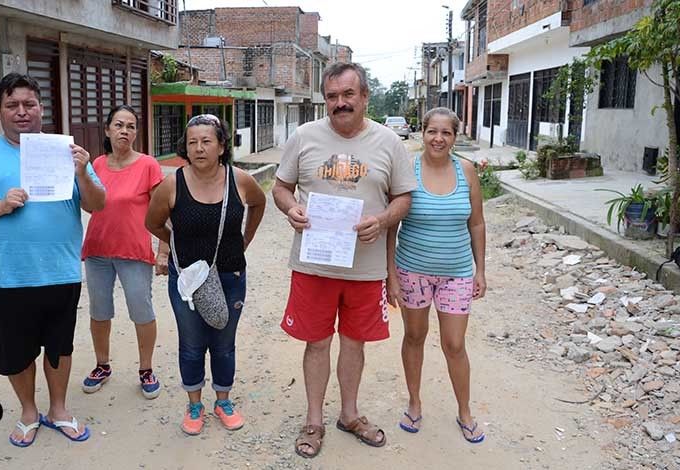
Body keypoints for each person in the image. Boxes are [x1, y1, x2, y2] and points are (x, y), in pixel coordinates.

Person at [0, 73, 106, 447]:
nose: (21, 111)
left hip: (60, 271)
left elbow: (97, 204)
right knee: (15, 351)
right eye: (12, 105)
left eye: (29, 104)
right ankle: (29, 412)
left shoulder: (66, 152)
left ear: (41, 108)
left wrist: (82, 173)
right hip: (6, 274)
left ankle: (59, 410)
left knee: (59, 347)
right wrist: (0, 206)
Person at [272, 62, 416, 458]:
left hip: (365, 268)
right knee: (316, 343)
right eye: (332, 96)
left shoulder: (388, 142)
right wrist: (291, 208)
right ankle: (313, 420)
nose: (340, 103)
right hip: (314, 265)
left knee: (355, 344)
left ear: (364, 97)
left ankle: (349, 415)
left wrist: (382, 220)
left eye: (348, 94)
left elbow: (404, 197)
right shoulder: (304, 136)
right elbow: (281, 188)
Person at [145, 114, 266, 436]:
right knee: (191, 343)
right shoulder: (173, 184)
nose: (198, 148)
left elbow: (259, 203)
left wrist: (245, 240)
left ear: (221, 146)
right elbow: (152, 222)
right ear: (185, 147)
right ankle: (194, 404)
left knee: (224, 343)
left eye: (206, 141)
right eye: (192, 142)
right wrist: (176, 245)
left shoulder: (240, 180)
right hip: (187, 279)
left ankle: (223, 401)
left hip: (230, 275)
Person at [386, 107, 487, 444]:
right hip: (412, 271)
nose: (438, 139)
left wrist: (480, 270)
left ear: (455, 137)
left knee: (454, 344)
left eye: (446, 133)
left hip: (456, 273)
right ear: (423, 133)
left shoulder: (467, 171)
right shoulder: (407, 170)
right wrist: (391, 274)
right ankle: (414, 403)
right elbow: (392, 225)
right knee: (414, 336)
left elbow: (477, 223)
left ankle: (465, 411)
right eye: (432, 131)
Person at [80, 104, 166, 400]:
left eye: (130, 126)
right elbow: (89, 206)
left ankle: (146, 369)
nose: (124, 131)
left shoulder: (148, 165)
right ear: (107, 130)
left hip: (134, 251)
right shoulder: (97, 165)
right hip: (98, 249)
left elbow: (162, 212)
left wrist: (163, 251)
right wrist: (81, 174)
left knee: (141, 310)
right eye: (118, 125)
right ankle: (102, 365)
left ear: (136, 133)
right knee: (99, 311)